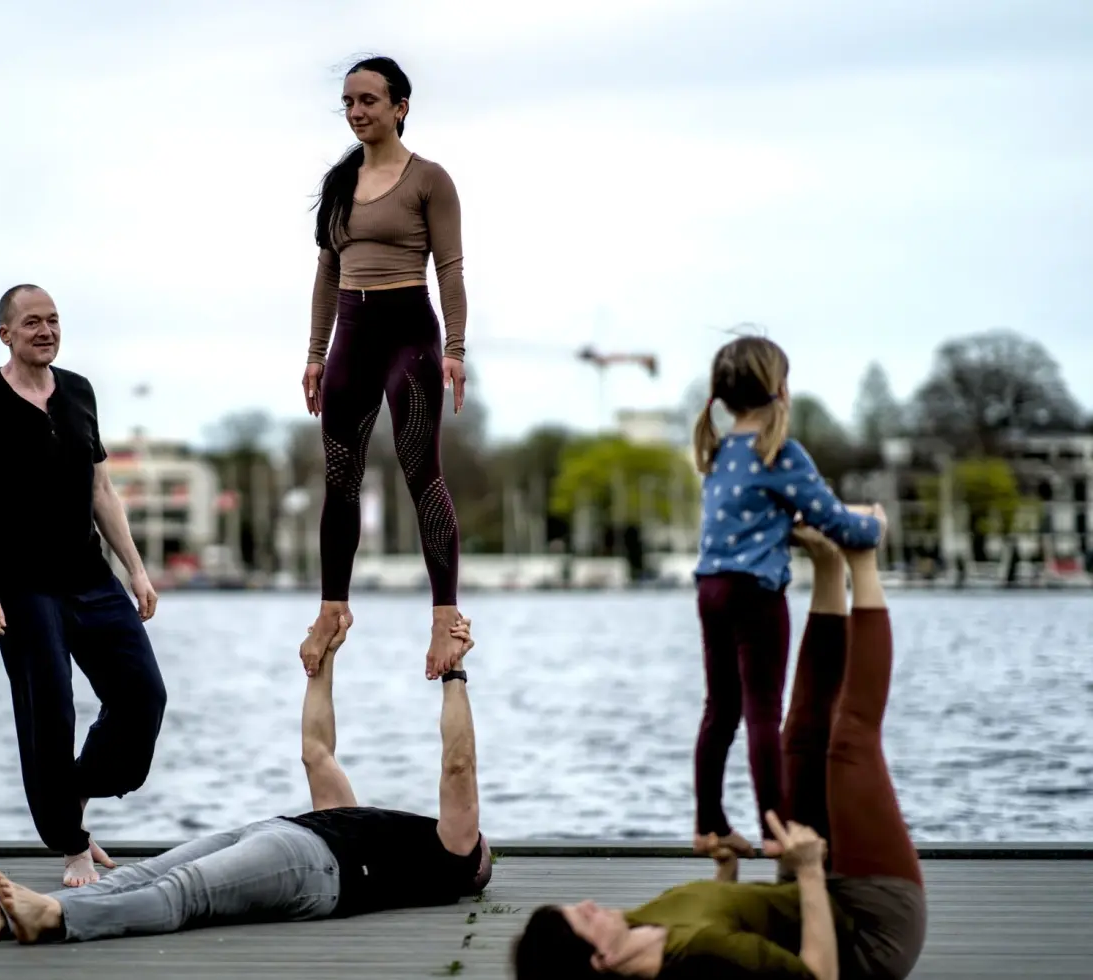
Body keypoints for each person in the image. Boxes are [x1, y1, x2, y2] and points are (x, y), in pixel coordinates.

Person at [512, 517, 928, 980]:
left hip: (812, 891)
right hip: (870, 926)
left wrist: (726, 871)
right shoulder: (697, 964)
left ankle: (829, 567)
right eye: (583, 918)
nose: (589, 904)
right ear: (601, 961)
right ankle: (865, 556)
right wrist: (809, 872)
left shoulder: (634, 929)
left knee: (801, 732)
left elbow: (721, 913)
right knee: (849, 744)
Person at [0, 615, 491, 944]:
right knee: (146, 874)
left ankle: (59, 919)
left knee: (183, 895)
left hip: (310, 868)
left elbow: (458, 766)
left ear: (476, 863)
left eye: (485, 843)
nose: (478, 832)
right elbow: (318, 754)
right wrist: (324, 661)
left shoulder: (454, 859)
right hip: (281, 835)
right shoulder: (375, 830)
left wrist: (456, 672)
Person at [0, 283, 168, 888]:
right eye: (32, 323)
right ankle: (70, 847)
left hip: (90, 577)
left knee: (143, 696)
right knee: (50, 711)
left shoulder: (79, 392)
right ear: (6, 335)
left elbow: (101, 491)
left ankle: (74, 794)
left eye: (53, 320)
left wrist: (137, 570)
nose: (45, 331)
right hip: (21, 585)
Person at [299, 54, 470, 682]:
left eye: (368, 100)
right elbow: (324, 274)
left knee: (420, 470)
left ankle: (444, 614)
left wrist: (455, 349)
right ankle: (333, 607)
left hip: (410, 340)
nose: (356, 112)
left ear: (400, 106)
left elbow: (450, 268)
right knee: (339, 479)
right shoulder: (340, 184)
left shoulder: (430, 180)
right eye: (348, 102)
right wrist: (316, 354)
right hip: (351, 338)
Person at [687, 336, 882, 857]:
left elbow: (751, 515)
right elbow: (835, 521)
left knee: (719, 710)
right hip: (756, 595)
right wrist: (874, 528)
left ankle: (709, 824)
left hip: (711, 589)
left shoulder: (720, 451)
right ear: (780, 389)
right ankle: (777, 831)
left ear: (724, 398)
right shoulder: (782, 453)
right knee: (762, 714)